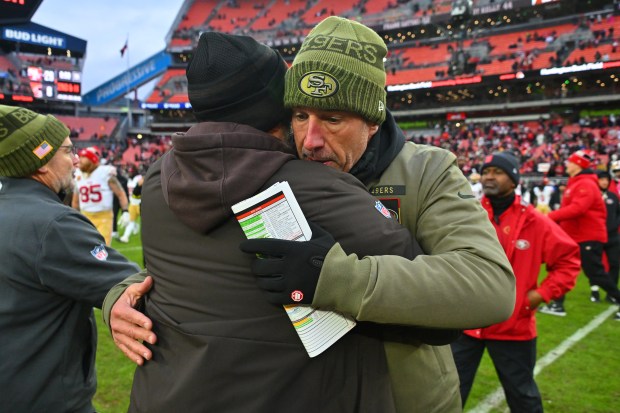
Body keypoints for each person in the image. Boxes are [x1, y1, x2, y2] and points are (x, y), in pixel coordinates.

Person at [105, 22, 516, 413]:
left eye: (333, 119)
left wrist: (337, 278)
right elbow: (214, 255)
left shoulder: (427, 170)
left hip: (403, 396)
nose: (311, 140)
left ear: (372, 121)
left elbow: (490, 285)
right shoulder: (278, 166)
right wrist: (120, 294)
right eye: (300, 116)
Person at [0, 104, 140, 412]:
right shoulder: (54, 225)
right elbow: (136, 287)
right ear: (41, 161)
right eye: (67, 151)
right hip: (46, 398)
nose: (76, 159)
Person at [451, 152, 580, 412]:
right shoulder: (470, 214)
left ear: (514, 180)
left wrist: (539, 295)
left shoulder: (535, 221)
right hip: (467, 322)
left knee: (522, 396)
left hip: (513, 326)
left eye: (497, 172)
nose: (489, 176)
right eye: (486, 172)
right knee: (449, 392)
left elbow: (568, 260)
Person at [542, 150, 620, 319]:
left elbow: (578, 208)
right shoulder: (578, 182)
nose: (567, 165)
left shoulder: (585, 183)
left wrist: (549, 217)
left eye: (570, 162)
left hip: (587, 236)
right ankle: (557, 304)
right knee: (560, 266)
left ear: (577, 165)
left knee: (596, 274)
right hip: (576, 236)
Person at [72, 145, 130, 245]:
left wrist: (125, 211)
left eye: (83, 157)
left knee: (102, 249)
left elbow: (120, 193)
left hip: (104, 217)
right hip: (85, 216)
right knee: (87, 248)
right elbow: (75, 201)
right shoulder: (78, 175)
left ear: (92, 160)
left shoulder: (105, 172)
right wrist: (74, 217)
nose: (80, 160)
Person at [596, 169, 620, 303]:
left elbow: (618, 213)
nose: (604, 182)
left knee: (614, 264)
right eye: (602, 179)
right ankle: (595, 290)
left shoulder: (613, 196)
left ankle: (612, 293)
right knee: (595, 265)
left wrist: (615, 225)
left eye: (606, 180)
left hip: (613, 236)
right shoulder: (592, 196)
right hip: (597, 236)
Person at [119, 172, 143, 244]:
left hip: (141, 203)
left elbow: (137, 191)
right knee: (130, 221)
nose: (129, 173)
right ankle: (125, 237)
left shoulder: (139, 178)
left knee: (147, 222)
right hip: (132, 203)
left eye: (130, 171)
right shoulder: (129, 180)